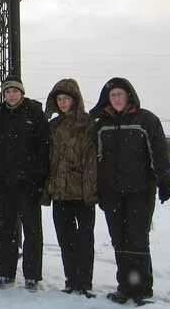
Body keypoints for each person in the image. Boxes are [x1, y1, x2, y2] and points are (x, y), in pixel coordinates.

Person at [91, 77, 170, 306]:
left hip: (140, 191)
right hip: (112, 193)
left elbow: (159, 151)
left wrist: (163, 181)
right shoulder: (101, 125)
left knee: (137, 239)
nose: (116, 99)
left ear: (129, 96)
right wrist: (99, 189)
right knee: (119, 240)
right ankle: (125, 286)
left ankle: (142, 288)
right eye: (112, 95)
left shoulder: (146, 120)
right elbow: (96, 160)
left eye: (120, 94)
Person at [0, 75, 49, 291]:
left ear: (21, 93)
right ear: (3, 94)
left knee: (32, 231)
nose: (11, 95)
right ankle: (6, 274)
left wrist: (39, 178)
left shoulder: (34, 113)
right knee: (5, 230)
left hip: (28, 183)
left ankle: (32, 276)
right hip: (4, 183)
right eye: (7, 91)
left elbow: (43, 148)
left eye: (15, 91)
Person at [44, 78, 98, 298]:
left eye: (66, 98)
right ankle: (71, 279)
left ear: (75, 100)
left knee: (85, 240)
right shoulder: (53, 126)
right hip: (60, 192)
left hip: (82, 193)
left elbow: (92, 160)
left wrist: (90, 190)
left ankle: (85, 281)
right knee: (65, 239)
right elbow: (48, 159)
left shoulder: (87, 124)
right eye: (59, 99)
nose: (63, 102)